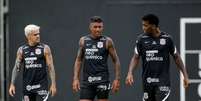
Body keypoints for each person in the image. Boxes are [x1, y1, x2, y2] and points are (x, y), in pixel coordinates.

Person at [125, 14, 189, 101]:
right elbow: (135, 57)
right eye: (142, 25)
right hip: (148, 81)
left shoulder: (167, 39)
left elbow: (176, 57)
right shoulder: (141, 39)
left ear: (154, 26)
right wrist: (130, 72)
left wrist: (185, 75)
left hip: (163, 81)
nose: (143, 28)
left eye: (145, 25)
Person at [72, 16, 121, 101]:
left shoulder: (107, 41)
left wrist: (117, 79)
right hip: (87, 82)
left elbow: (116, 60)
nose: (98, 29)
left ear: (102, 27)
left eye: (100, 27)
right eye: (95, 27)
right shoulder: (83, 40)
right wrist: (75, 78)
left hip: (102, 81)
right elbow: (79, 60)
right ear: (90, 27)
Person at [9, 24, 57, 101]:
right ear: (28, 36)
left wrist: (53, 84)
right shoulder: (21, 50)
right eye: (35, 34)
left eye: (38, 34)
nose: (38, 36)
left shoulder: (45, 48)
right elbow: (16, 67)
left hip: (41, 87)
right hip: (28, 87)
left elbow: (50, 67)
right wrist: (12, 84)